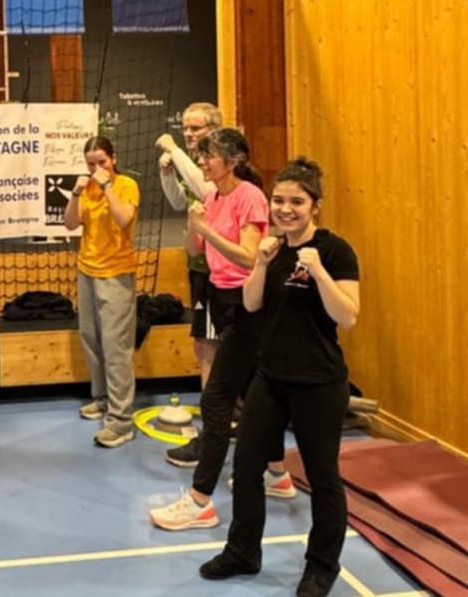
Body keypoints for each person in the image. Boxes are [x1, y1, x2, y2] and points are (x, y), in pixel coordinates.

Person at [199, 158, 360, 597]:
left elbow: (348, 316)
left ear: (315, 206)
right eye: (279, 200)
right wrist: (260, 265)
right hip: (270, 379)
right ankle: (242, 552)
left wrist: (319, 272)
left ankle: (321, 567)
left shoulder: (334, 251)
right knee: (248, 465)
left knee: (323, 477)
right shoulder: (273, 248)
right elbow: (251, 305)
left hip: (320, 383)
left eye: (297, 202)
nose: (286, 209)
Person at [148, 128, 295, 531]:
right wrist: (195, 224)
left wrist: (208, 230)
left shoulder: (249, 196)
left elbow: (250, 257)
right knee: (253, 391)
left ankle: (200, 502)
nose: (203, 162)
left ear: (232, 162)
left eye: (209, 156)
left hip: (248, 303)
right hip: (219, 296)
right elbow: (198, 249)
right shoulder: (212, 196)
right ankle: (278, 474)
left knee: (215, 401)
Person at [65, 136, 141, 448]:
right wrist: (76, 192)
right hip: (87, 269)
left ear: (114, 158)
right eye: (91, 163)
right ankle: (102, 398)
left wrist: (107, 184)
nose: (96, 168)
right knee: (91, 338)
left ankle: (121, 421)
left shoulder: (125, 185)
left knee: (115, 347)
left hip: (117, 273)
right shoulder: (87, 189)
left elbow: (124, 219)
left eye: (102, 162)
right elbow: (71, 224)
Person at [155, 103, 220, 467]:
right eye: (185, 129)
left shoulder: (219, 167)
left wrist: (175, 152)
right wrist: (167, 172)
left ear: (215, 127)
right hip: (199, 267)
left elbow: (205, 191)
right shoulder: (198, 166)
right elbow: (182, 199)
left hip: (219, 271)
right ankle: (219, 423)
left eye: (196, 128)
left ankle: (211, 436)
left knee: (208, 349)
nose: (189, 134)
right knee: (204, 346)